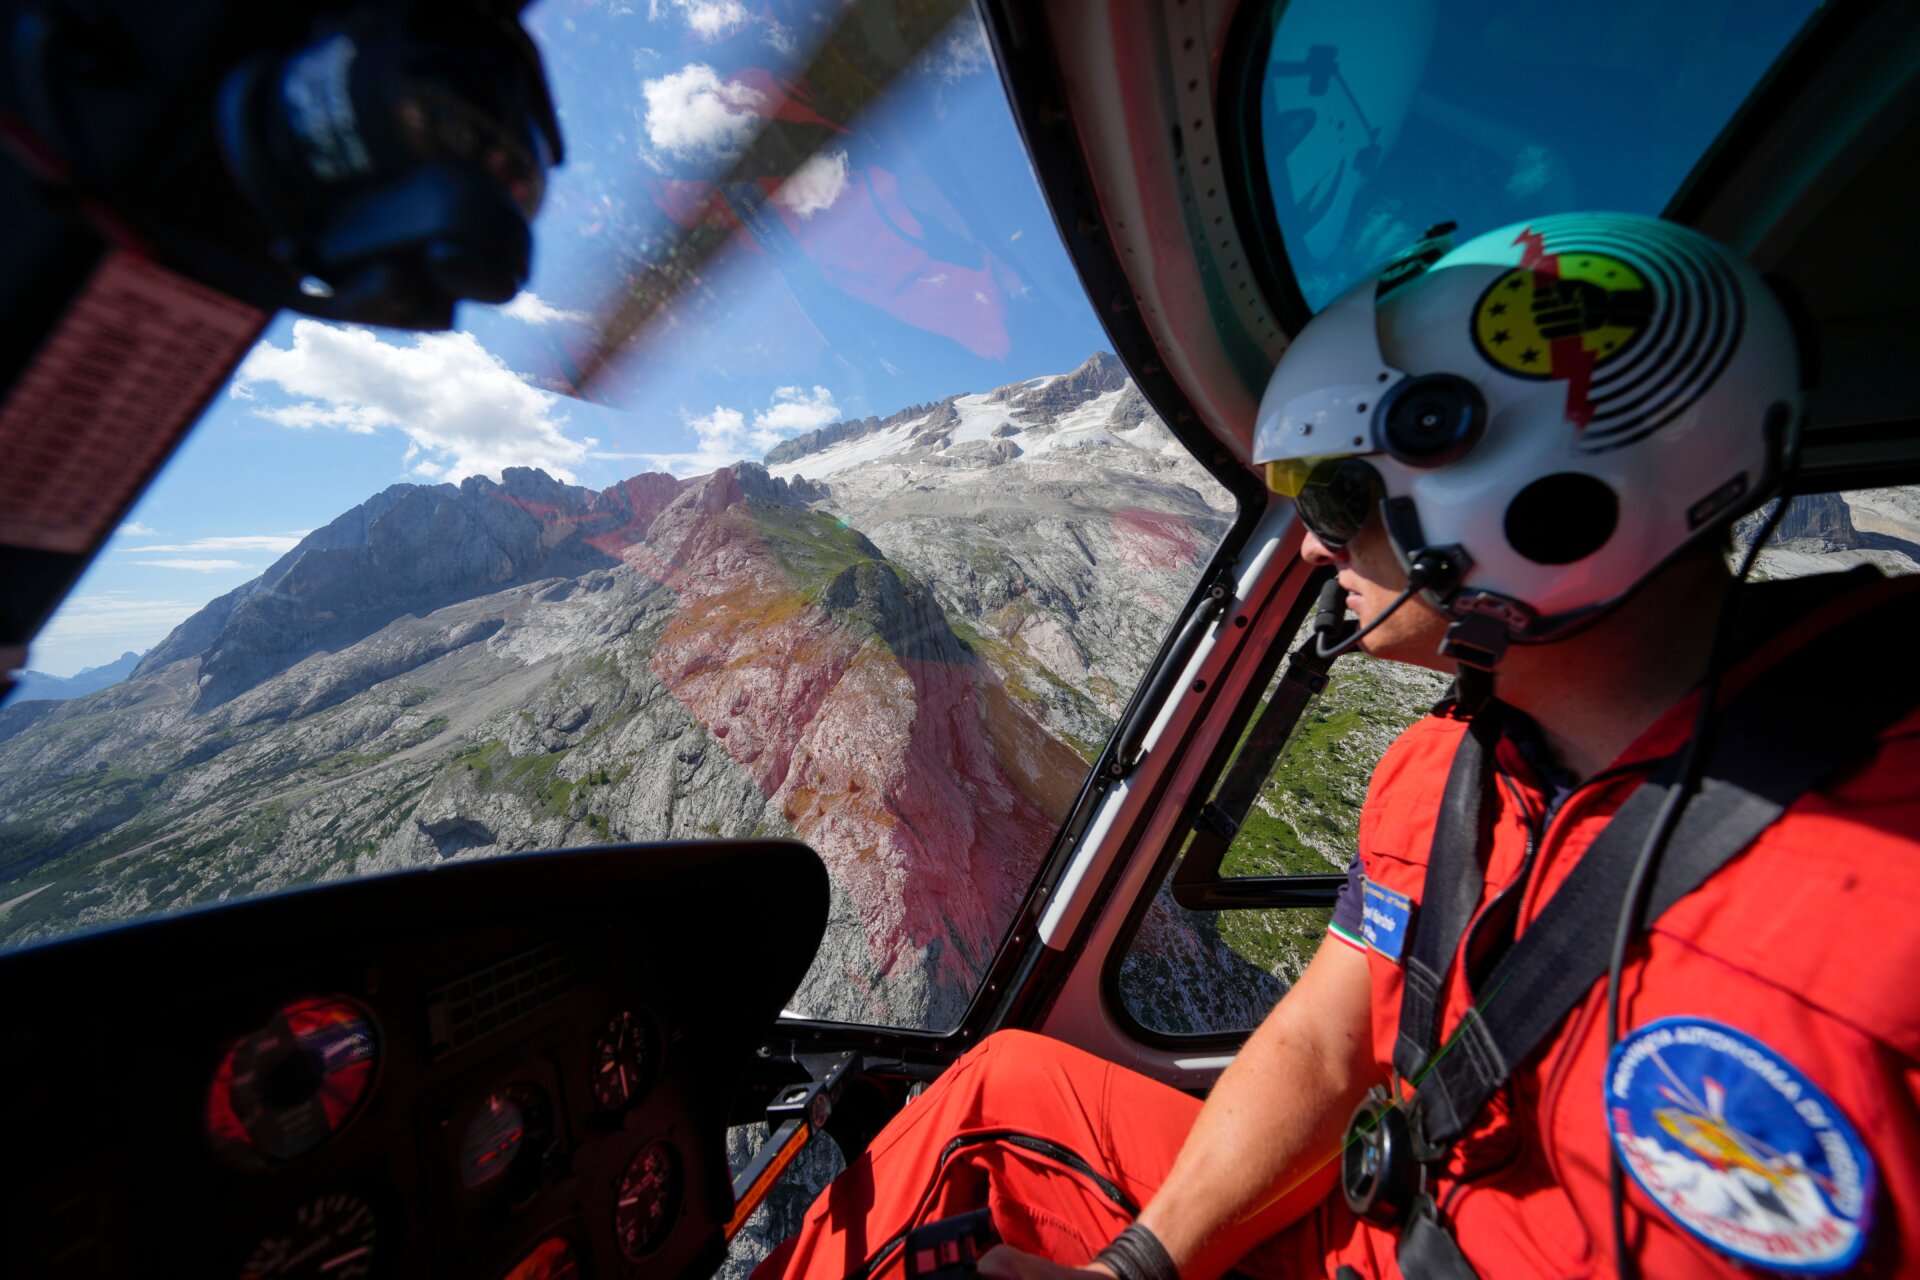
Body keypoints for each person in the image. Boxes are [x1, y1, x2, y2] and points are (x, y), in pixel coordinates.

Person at [753, 213, 1920, 1280]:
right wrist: (1136, 1270)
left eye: (1334, 499)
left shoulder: (1887, 862)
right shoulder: (1437, 772)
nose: (1314, 549)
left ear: (1539, 502)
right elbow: (1328, 1041)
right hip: (1390, 1229)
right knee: (996, 1090)